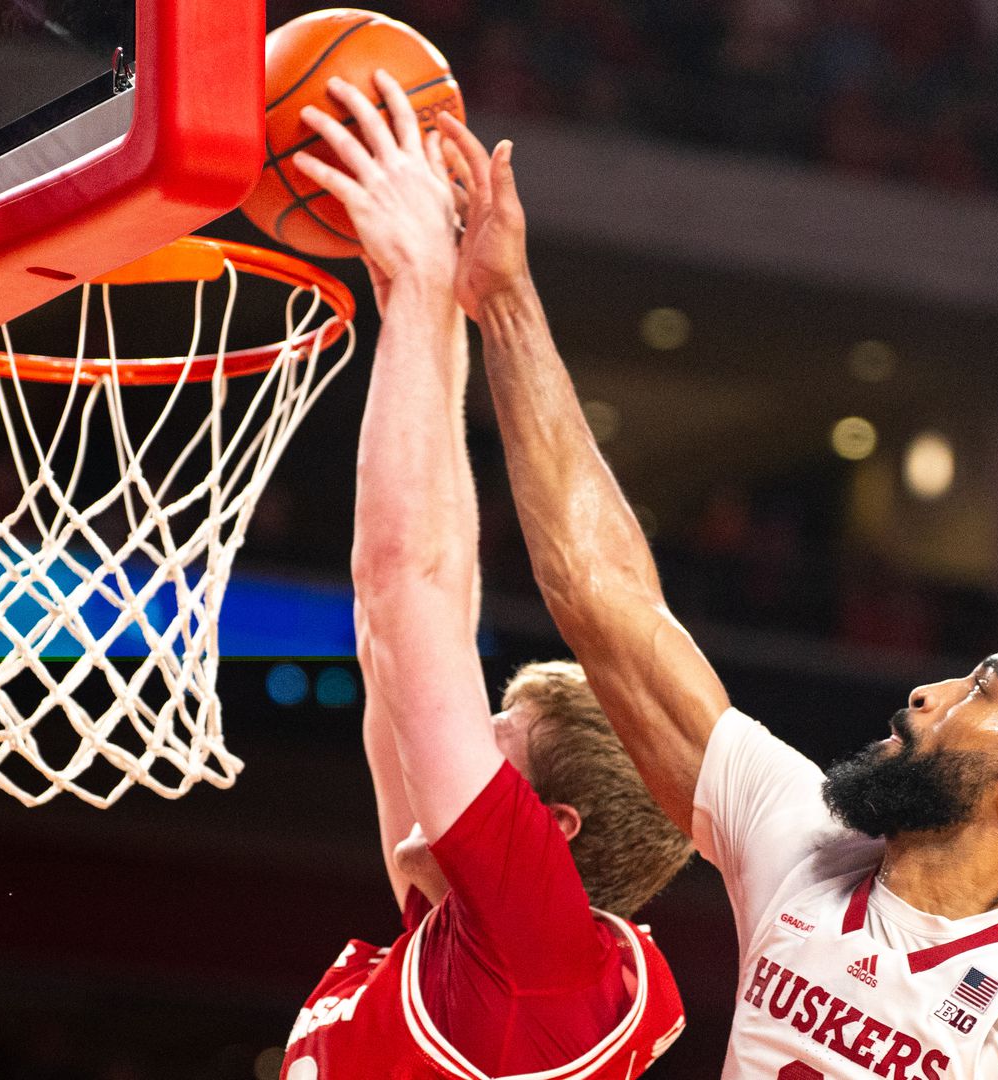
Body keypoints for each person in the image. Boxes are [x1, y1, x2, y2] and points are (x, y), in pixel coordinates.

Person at [435, 113, 998, 1078]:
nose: (927, 692)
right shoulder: (807, 844)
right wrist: (508, 303)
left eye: (982, 689)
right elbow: (602, 597)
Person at [279, 73, 694, 1080]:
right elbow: (422, 623)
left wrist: (424, 285)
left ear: (546, 832)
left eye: (497, 739)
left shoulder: (536, 963)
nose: (463, 731)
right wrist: (426, 322)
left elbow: (400, 588)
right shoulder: (504, 956)